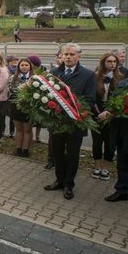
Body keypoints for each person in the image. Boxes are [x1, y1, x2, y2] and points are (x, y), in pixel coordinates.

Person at [44, 43, 96, 200]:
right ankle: (59, 180)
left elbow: (90, 99)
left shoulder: (88, 75)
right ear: (61, 56)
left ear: (79, 56)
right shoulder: (54, 73)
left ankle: (68, 184)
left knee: (72, 155)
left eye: (72, 54)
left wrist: (73, 109)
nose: (68, 57)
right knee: (57, 153)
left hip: (75, 123)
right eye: (65, 54)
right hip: (57, 123)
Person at [91, 53, 121, 180]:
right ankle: (97, 166)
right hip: (96, 113)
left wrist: (109, 111)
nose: (112, 64)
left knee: (110, 142)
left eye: (114, 61)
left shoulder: (121, 78)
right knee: (97, 142)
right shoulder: (94, 77)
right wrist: (97, 112)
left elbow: (121, 98)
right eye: (109, 61)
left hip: (112, 115)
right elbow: (91, 96)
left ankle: (106, 168)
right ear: (103, 62)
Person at [102, 77, 128, 202]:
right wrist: (108, 111)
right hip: (122, 131)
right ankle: (121, 191)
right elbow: (112, 102)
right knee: (123, 163)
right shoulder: (124, 83)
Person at [8, 58, 34, 157]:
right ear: (18, 66)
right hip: (16, 107)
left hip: (28, 108)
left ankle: (26, 150)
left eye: (26, 65)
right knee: (18, 129)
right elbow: (11, 91)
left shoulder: (34, 78)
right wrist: (25, 85)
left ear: (30, 66)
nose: (24, 67)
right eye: (22, 65)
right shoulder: (13, 77)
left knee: (27, 130)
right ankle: (18, 149)